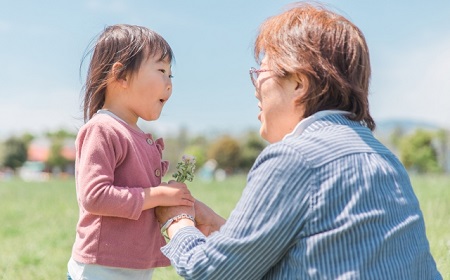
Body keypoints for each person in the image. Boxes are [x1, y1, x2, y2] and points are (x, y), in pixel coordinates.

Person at [155, 3, 442, 279]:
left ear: (299, 83)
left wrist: (177, 221)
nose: (256, 88)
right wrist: (223, 229)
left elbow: (212, 272)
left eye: (261, 72)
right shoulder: (384, 157)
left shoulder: (296, 157)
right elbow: (330, 253)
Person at [67, 24, 195, 280]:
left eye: (171, 75)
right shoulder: (103, 129)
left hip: (133, 268)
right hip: (100, 270)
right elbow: (94, 197)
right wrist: (157, 194)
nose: (169, 84)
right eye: (161, 70)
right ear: (121, 75)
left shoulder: (138, 135)